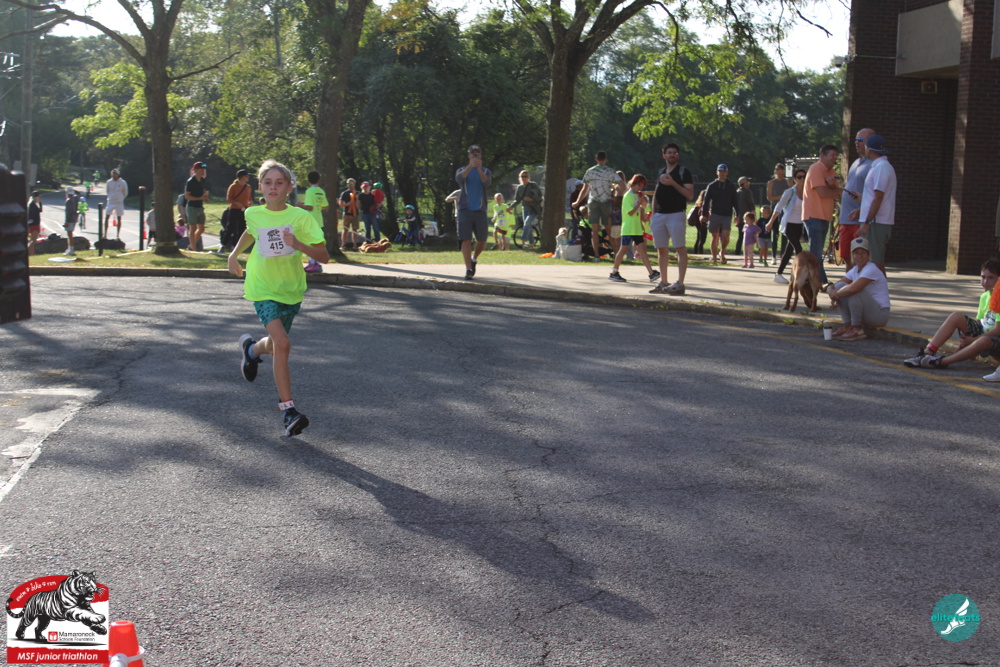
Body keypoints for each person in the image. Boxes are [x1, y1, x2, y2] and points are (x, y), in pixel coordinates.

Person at [228, 159, 329, 437]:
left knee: (274, 346)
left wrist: (298, 244)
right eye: (268, 182)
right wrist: (234, 255)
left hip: (290, 289)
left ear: (289, 187)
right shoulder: (253, 213)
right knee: (283, 344)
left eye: (279, 183)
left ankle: (251, 350)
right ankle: (289, 411)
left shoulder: (301, 218)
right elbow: (251, 232)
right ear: (260, 187)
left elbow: (324, 256)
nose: (273, 187)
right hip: (261, 286)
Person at [902, 258, 1000, 372]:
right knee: (956, 316)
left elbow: (998, 330)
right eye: (983, 277)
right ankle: (927, 353)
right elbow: (979, 323)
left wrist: (973, 340)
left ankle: (941, 362)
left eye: (991, 278)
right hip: (982, 335)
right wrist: (967, 340)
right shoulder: (985, 296)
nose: (985, 281)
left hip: (994, 340)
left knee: (983, 341)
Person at [649, 142, 694, 295]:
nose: (672, 155)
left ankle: (680, 283)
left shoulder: (683, 172)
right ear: (664, 155)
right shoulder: (661, 172)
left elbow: (689, 195)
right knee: (661, 249)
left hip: (676, 214)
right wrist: (653, 213)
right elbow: (657, 193)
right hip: (659, 215)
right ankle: (664, 282)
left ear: (677, 155)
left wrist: (673, 183)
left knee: (680, 248)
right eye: (669, 152)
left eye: (674, 152)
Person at [826, 236, 890, 341]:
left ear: (868, 255)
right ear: (852, 255)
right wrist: (830, 289)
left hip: (879, 315)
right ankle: (847, 325)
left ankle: (856, 328)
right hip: (868, 312)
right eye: (856, 253)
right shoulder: (855, 269)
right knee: (840, 287)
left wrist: (835, 295)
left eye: (863, 253)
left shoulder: (871, 268)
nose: (860, 256)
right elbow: (838, 284)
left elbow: (852, 289)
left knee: (853, 291)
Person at [802, 144, 842, 285]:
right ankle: (821, 281)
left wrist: (832, 187)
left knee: (817, 252)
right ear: (822, 156)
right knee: (816, 253)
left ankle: (810, 278)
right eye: (832, 155)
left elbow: (837, 193)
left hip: (825, 217)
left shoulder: (832, 172)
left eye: (836, 155)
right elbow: (823, 193)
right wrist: (834, 190)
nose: (835, 158)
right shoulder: (816, 169)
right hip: (814, 216)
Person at [608, 175, 660, 284]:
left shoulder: (636, 195)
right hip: (628, 228)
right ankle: (614, 272)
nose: (640, 188)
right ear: (634, 184)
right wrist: (639, 203)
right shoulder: (628, 196)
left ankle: (651, 273)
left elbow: (638, 212)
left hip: (636, 229)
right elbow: (630, 212)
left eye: (642, 186)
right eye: (639, 186)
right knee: (623, 250)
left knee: (642, 251)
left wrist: (643, 213)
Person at [858, 134, 896, 275]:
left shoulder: (881, 167)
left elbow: (878, 197)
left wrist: (867, 221)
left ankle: (881, 288)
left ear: (869, 149)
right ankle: (878, 288)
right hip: (875, 220)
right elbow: (873, 197)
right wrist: (860, 211)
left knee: (874, 261)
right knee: (872, 262)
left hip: (876, 222)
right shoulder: (879, 166)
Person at [575, 151, 622, 262]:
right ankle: (616, 254)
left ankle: (596, 256)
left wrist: (577, 202)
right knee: (609, 230)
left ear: (596, 159)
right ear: (606, 159)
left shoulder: (590, 171)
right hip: (606, 202)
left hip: (593, 202)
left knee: (594, 231)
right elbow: (622, 185)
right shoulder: (610, 171)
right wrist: (616, 198)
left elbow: (585, 189)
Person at [839, 128, 875, 269]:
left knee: (859, 258)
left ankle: (859, 282)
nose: (856, 142)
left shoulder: (873, 165)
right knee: (846, 256)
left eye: (860, 140)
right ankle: (849, 280)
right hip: (845, 219)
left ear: (869, 142)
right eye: (855, 139)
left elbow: (876, 194)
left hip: (859, 220)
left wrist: (861, 209)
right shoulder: (855, 162)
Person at [455, 144, 492, 279]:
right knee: (466, 239)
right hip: (465, 210)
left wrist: (479, 169)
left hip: (480, 210)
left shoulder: (486, 171)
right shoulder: (462, 170)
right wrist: (470, 166)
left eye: (477, 154)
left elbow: (486, 183)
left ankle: (474, 259)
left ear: (481, 156)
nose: (475, 155)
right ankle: (468, 269)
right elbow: (459, 179)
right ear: (469, 155)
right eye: (473, 154)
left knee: (482, 241)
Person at [766, 168, 807, 284]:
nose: (802, 179)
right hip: (789, 225)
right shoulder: (790, 192)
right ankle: (800, 275)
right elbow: (778, 207)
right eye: (799, 177)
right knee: (798, 249)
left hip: (800, 225)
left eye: (804, 177)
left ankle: (778, 274)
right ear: (794, 179)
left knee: (789, 251)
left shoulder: (807, 192)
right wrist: (770, 222)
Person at [700, 164, 739, 264]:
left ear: (727, 173)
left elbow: (735, 201)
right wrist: (703, 214)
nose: (722, 173)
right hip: (715, 213)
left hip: (727, 214)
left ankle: (722, 252)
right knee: (714, 236)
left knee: (726, 236)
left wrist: (737, 214)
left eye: (724, 171)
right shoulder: (712, 186)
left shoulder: (731, 186)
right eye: (720, 171)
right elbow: (706, 201)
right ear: (717, 172)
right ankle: (714, 259)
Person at [300, 170, 329, 273]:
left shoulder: (309, 191)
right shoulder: (321, 191)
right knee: (316, 242)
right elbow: (325, 206)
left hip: (311, 220)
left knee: (310, 242)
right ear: (319, 180)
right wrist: (318, 206)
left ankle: (314, 263)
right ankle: (313, 262)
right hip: (319, 219)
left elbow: (310, 207)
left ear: (308, 180)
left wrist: (299, 205)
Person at [510, 170, 542, 251]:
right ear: (519, 177)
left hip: (534, 209)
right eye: (522, 176)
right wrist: (511, 207)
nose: (524, 178)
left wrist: (532, 199)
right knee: (528, 226)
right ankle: (532, 244)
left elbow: (540, 196)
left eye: (525, 176)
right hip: (525, 208)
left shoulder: (533, 185)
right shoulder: (519, 187)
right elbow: (517, 200)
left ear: (528, 177)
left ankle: (523, 241)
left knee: (527, 223)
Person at [223, 169, 253, 253]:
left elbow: (249, 198)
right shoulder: (233, 186)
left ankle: (236, 246)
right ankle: (224, 245)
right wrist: (237, 203)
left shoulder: (248, 187)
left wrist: (250, 202)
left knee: (241, 228)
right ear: (242, 177)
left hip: (244, 210)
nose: (248, 177)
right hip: (234, 209)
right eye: (246, 176)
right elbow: (229, 198)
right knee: (230, 227)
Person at [766, 163, 791, 259]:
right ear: (775, 172)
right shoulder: (771, 183)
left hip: (785, 208)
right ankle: (773, 256)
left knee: (785, 231)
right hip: (775, 207)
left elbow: (793, 192)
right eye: (779, 174)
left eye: (782, 174)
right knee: (775, 231)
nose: (781, 176)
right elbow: (769, 197)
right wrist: (781, 197)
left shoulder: (787, 181)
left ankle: (783, 255)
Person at [185, 161, 210, 251]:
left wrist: (205, 198)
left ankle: (191, 245)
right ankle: (194, 248)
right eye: (201, 169)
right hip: (192, 207)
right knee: (193, 228)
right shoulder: (191, 182)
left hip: (200, 207)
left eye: (203, 169)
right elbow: (187, 196)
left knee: (201, 228)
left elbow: (204, 191)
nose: (203, 171)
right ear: (195, 170)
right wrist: (199, 198)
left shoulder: (203, 181)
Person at [734, 176, 756, 255]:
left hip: (740, 217)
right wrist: (754, 215)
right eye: (747, 182)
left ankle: (737, 251)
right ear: (744, 183)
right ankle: (748, 251)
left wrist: (736, 216)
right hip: (748, 217)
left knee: (741, 236)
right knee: (749, 235)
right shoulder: (747, 191)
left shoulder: (737, 192)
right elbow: (751, 204)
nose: (749, 183)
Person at [105, 168, 128, 239]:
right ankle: (105, 234)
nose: (114, 175)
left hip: (119, 202)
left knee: (119, 218)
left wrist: (121, 198)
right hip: (111, 201)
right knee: (107, 217)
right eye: (113, 174)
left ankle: (118, 235)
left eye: (115, 174)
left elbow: (125, 192)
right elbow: (107, 191)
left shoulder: (122, 182)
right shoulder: (109, 182)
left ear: (118, 175)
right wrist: (110, 197)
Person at [688, 190, 707, 255]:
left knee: (699, 238)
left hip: (697, 223)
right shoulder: (703, 204)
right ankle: (699, 252)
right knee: (702, 239)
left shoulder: (698, 203)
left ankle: (696, 252)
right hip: (702, 222)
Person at [63, 189, 79, 255]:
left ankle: (71, 249)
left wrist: (66, 221)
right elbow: (79, 194)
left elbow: (68, 212)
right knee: (70, 234)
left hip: (70, 219)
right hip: (75, 217)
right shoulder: (76, 199)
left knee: (69, 235)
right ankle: (70, 248)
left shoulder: (68, 201)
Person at [27, 191, 42, 256]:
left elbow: (40, 210)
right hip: (34, 224)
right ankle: (29, 252)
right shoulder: (32, 205)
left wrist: (40, 202)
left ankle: (31, 253)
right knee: (33, 241)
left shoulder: (33, 204)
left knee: (32, 240)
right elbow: (33, 214)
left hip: (34, 223)